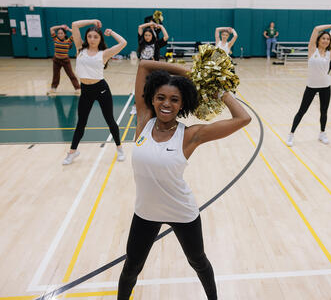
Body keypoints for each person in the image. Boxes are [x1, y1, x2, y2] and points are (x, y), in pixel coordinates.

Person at [117, 60, 251, 299]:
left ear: (182, 104)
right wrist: (188, 72)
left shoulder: (190, 135)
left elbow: (243, 118)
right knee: (131, 268)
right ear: (152, 99)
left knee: (198, 262)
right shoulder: (143, 121)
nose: (166, 104)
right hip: (145, 212)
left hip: (181, 211)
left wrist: (218, 90)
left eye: (174, 99)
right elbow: (144, 66)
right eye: (161, 97)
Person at [62, 19, 127, 165]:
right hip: (86, 90)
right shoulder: (80, 49)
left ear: (100, 39)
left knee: (110, 120)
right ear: (86, 37)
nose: (92, 39)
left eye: (95, 37)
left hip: (101, 89)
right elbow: (75, 25)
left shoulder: (104, 54)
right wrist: (92, 21)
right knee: (81, 123)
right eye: (90, 36)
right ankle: (72, 152)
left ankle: (120, 149)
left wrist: (112, 33)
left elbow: (123, 43)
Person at [286, 24, 331, 147]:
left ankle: (322, 133)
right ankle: (291, 134)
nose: (326, 40)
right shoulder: (312, 49)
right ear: (319, 40)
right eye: (323, 38)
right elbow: (316, 29)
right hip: (311, 86)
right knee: (302, 111)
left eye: (328, 39)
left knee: (324, 111)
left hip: (325, 86)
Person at [48, 24, 80, 95]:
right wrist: (60, 26)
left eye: (61, 33)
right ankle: (53, 88)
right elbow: (51, 29)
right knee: (56, 75)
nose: (59, 35)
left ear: (64, 34)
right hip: (56, 60)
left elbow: (75, 32)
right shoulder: (55, 39)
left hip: (65, 61)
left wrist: (68, 29)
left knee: (71, 75)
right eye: (58, 33)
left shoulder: (68, 41)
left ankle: (77, 88)